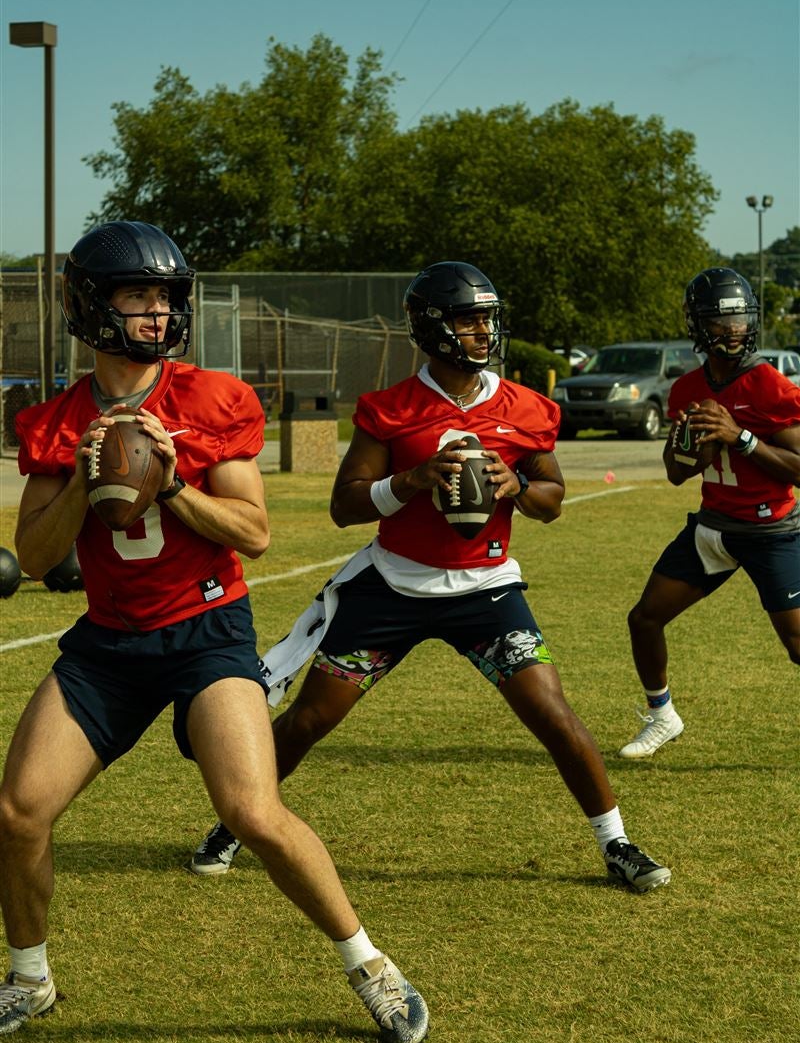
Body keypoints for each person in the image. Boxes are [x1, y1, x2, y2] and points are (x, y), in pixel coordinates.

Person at [0, 221, 428, 1043]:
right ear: (90, 305)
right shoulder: (54, 422)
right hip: (109, 642)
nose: (158, 313)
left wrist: (167, 484)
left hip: (205, 628)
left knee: (251, 809)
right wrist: (93, 481)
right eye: (138, 295)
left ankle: (372, 967)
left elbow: (253, 531)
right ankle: (28, 976)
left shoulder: (212, 399)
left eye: (166, 297)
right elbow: (35, 552)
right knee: (18, 813)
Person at [191, 260, 671, 894]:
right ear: (434, 327)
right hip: (393, 587)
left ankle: (617, 844)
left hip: (486, 588)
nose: (484, 331)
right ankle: (236, 823)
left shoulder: (526, 409)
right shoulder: (390, 409)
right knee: (309, 719)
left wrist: (518, 484)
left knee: (553, 714)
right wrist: (411, 481)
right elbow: (345, 505)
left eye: (487, 319)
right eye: (471, 319)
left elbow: (553, 498)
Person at [621, 267, 800, 759]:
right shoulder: (685, 390)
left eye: (740, 320)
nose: (733, 330)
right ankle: (662, 717)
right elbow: (678, 474)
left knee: (797, 646)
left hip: (771, 530)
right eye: (721, 322)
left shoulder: (772, 389)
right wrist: (689, 447)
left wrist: (740, 437)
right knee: (644, 619)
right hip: (713, 529)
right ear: (698, 327)